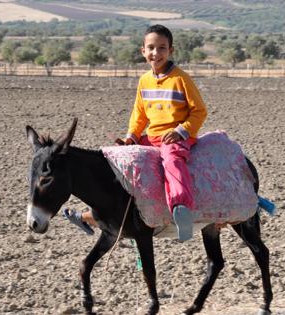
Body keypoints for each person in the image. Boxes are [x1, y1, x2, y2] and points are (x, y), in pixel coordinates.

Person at [64, 24, 207, 241]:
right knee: (118, 157)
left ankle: (181, 209)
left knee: (171, 159)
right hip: (152, 136)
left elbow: (199, 111)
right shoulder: (144, 81)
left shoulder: (181, 79)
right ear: (143, 51)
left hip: (176, 137)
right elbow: (139, 114)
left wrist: (181, 131)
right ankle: (101, 213)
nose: (155, 53)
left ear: (171, 51)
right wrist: (131, 136)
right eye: (151, 48)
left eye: (162, 48)